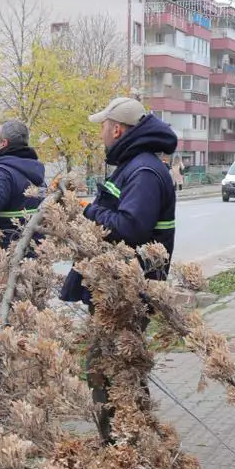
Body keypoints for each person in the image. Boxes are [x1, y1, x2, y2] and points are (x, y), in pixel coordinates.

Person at [58, 96, 178, 443]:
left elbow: (130, 228)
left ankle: (124, 453)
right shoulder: (137, 165)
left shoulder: (142, 171)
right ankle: (123, 448)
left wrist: (87, 210)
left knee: (113, 372)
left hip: (126, 292)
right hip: (117, 288)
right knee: (114, 369)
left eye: (103, 128)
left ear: (117, 129)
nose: (101, 135)